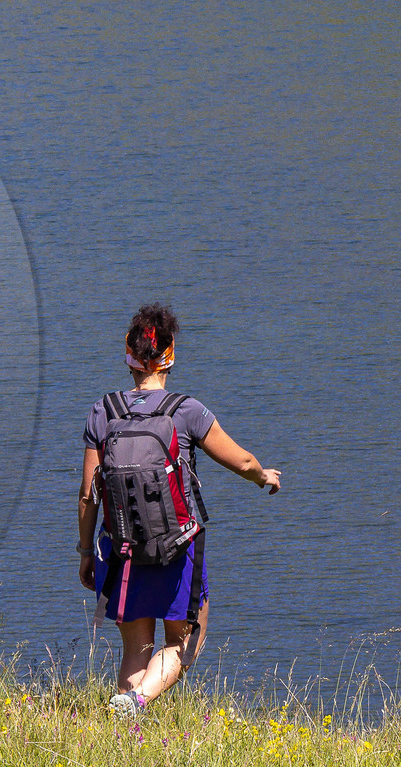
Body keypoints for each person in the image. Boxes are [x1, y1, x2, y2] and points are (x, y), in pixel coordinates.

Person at [78, 304, 281, 717]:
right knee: (185, 640)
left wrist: (85, 553)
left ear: (130, 357)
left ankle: (124, 734)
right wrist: (265, 477)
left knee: (136, 648)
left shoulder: (104, 411)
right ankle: (136, 702)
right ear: (169, 356)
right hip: (177, 545)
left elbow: (88, 495)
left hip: (121, 550)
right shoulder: (185, 410)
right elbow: (241, 462)